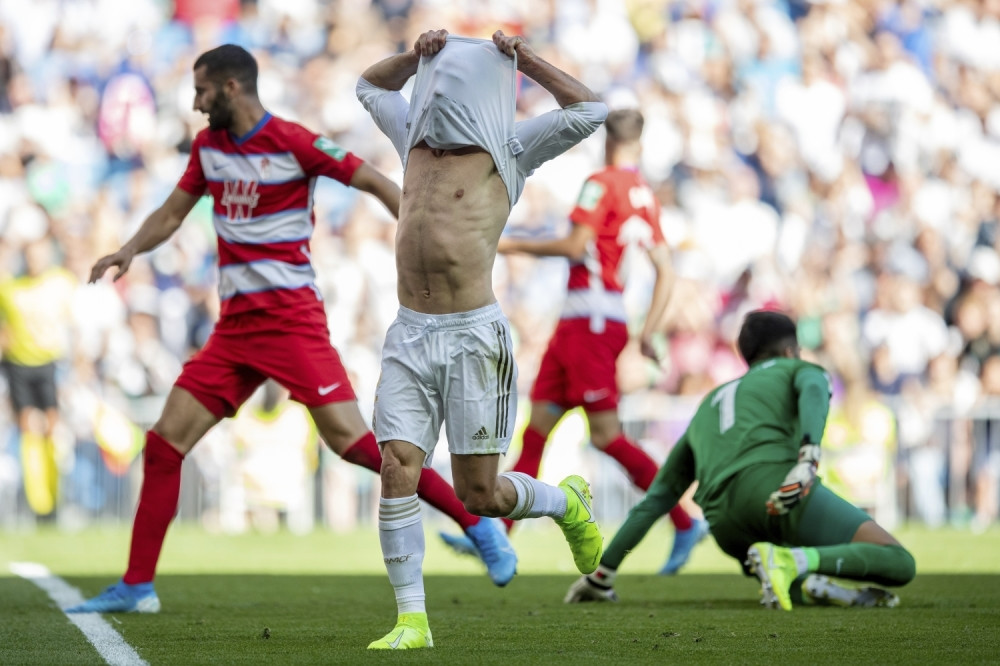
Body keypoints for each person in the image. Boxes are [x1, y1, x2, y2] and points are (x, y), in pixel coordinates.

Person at [66, 43, 516, 614]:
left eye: (203, 91)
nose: (196, 104)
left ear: (231, 88)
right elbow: (173, 213)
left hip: (291, 324)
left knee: (356, 446)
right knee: (162, 445)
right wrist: (128, 250)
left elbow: (376, 181)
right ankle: (137, 586)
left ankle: (478, 527)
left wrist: (428, 235)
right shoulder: (208, 149)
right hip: (234, 332)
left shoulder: (295, 142)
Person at [357, 29, 607, 649]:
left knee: (481, 495)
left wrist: (525, 60)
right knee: (397, 467)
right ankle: (411, 619)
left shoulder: (509, 146)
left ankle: (564, 503)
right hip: (408, 332)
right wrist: (414, 58)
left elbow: (590, 110)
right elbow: (367, 84)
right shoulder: (410, 132)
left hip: (474, 336)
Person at [438, 107, 708, 575]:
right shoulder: (644, 194)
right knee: (537, 431)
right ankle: (495, 538)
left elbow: (571, 245)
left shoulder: (600, 183)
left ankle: (685, 521)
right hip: (592, 322)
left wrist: (506, 243)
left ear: (607, 141)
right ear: (639, 144)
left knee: (606, 437)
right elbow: (665, 269)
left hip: (590, 324)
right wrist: (647, 332)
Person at [565, 310, 916, 610]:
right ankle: (797, 561)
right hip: (776, 491)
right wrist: (808, 457)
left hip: (725, 526)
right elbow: (814, 387)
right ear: (792, 348)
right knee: (899, 561)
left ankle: (815, 582)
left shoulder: (710, 402)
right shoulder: (798, 369)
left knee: (781, 567)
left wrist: (602, 574)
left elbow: (657, 499)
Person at [0, 235, 77, 517]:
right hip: (19, 365)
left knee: (52, 427)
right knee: (27, 427)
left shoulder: (61, 283)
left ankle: (53, 497)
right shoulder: (9, 288)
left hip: (50, 363)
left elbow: (72, 324)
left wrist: (76, 366)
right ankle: (37, 500)